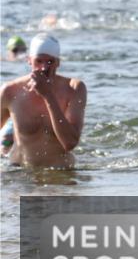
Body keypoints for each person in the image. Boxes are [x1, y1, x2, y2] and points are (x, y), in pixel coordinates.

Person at [0, 34, 87, 168]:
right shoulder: (10, 91)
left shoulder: (74, 89)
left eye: (50, 62)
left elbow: (70, 143)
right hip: (20, 175)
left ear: (58, 62)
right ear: (29, 60)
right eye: (39, 61)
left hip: (59, 174)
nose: (44, 68)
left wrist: (48, 96)